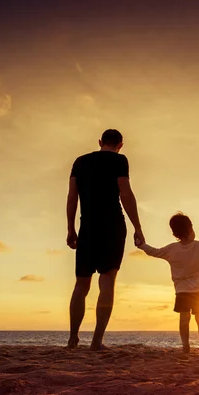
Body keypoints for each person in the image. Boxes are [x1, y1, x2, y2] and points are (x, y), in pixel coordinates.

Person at [66, 129, 145, 350]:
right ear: (120, 145)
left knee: (81, 284)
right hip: (112, 225)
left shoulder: (80, 161)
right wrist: (138, 227)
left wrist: (70, 228)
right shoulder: (119, 160)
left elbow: (72, 197)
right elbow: (125, 194)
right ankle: (97, 341)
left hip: (87, 225)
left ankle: (73, 339)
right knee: (107, 281)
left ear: (100, 142)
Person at [136, 212, 199, 354]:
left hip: (184, 291)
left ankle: (187, 347)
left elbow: (153, 251)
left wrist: (141, 245)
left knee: (185, 321)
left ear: (174, 233)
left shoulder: (172, 249)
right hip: (196, 291)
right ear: (190, 229)